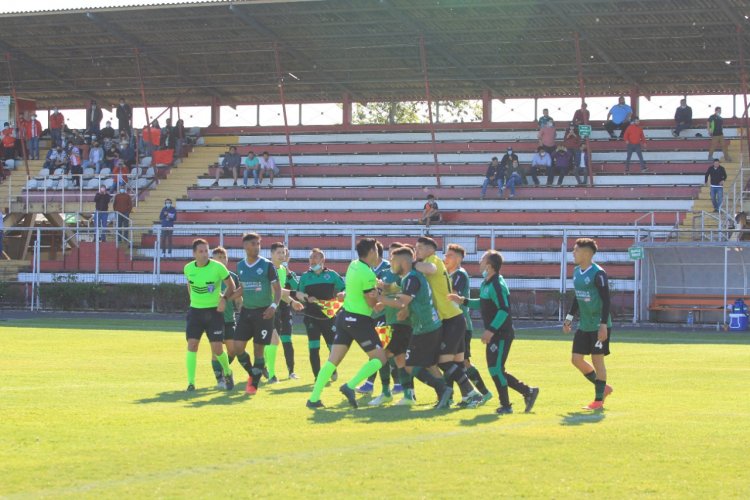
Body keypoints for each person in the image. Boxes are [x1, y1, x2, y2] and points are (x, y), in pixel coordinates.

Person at [449, 250, 539, 415]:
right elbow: (483, 303)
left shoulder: (497, 284)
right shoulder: (487, 283)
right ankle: (527, 392)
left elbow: (504, 309)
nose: (480, 263)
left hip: (501, 334)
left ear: (489, 266)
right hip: (495, 334)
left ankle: (507, 405)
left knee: (496, 369)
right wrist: (464, 301)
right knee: (495, 369)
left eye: (482, 260)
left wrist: (490, 330)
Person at [306, 238, 389, 409]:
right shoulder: (368, 273)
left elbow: (356, 290)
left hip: (344, 318)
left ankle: (314, 399)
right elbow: (371, 304)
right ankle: (350, 386)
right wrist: (380, 294)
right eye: (376, 250)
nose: (378, 254)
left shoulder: (353, 265)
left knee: (332, 361)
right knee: (381, 358)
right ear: (372, 252)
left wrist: (375, 288)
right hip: (359, 320)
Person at [377, 246, 454, 409]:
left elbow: (402, 302)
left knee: (410, 365)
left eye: (393, 259)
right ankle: (446, 397)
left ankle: (443, 389)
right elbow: (408, 301)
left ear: (403, 262)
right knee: (428, 365)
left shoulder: (412, 278)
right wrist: (405, 310)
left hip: (425, 327)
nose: (390, 262)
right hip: (427, 326)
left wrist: (380, 298)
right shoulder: (409, 278)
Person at [414, 236, 483, 408]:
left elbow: (429, 269)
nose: (417, 252)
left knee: (443, 361)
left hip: (452, 319)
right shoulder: (432, 262)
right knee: (456, 362)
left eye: (420, 248)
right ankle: (465, 396)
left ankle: (472, 393)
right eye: (415, 248)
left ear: (431, 249)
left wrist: (410, 263)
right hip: (450, 319)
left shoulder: (434, 261)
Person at [562, 238, 614, 411]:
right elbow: (578, 297)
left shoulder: (599, 274)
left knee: (597, 361)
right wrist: (569, 318)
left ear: (586, 253)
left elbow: (606, 301)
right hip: (584, 325)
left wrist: (603, 325)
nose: (573, 253)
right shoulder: (577, 272)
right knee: (576, 359)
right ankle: (603, 387)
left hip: (599, 324)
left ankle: (598, 400)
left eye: (576, 250)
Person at [183, 239, 236, 392]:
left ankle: (227, 371)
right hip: (195, 312)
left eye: (206, 251)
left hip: (214, 313)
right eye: (201, 251)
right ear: (194, 253)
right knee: (192, 345)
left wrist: (224, 299)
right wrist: (193, 300)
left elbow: (231, 285)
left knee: (217, 349)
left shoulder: (218, 267)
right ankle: (191, 383)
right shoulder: (188, 268)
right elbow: (189, 283)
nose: (205, 254)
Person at [234, 233, 282, 395]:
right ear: (245, 246)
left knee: (258, 350)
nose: (256, 247)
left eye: (258, 244)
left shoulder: (267, 265)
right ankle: (253, 372)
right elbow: (242, 287)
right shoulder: (240, 265)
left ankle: (253, 385)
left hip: (264, 313)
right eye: (253, 244)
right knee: (237, 347)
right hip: (246, 311)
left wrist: (273, 306)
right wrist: (226, 298)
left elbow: (277, 289)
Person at [366, 242, 413, 406]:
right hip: (390, 321)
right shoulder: (386, 273)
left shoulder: (406, 275)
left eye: (395, 255)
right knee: (400, 359)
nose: (391, 258)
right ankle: (407, 394)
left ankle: (387, 392)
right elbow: (384, 298)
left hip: (401, 322)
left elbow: (399, 292)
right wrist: (378, 301)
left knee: (382, 356)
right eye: (391, 254)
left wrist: (383, 291)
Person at [444, 244, 491, 402]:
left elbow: (453, 296)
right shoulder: (449, 275)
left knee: (459, 361)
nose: (446, 258)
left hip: (460, 325)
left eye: (450, 255)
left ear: (458, 259)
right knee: (453, 361)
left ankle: (481, 393)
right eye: (446, 254)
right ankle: (456, 395)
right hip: (452, 324)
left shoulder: (459, 274)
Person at [295, 248, 346, 383]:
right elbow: (298, 294)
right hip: (311, 317)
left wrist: (342, 295)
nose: (312, 260)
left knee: (332, 347)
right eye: (310, 258)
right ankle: (318, 377)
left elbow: (344, 289)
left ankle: (332, 369)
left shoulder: (332, 275)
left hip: (329, 317)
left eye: (315, 258)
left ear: (322, 260)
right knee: (314, 347)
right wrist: (305, 298)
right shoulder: (305, 276)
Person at [268, 243, 303, 381]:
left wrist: (292, 302)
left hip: (283, 308)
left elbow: (280, 292)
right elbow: (274, 291)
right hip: (268, 308)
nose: (282, 255)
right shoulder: (267, 269)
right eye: (279, 253)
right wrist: (294, 296)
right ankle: (270, 372)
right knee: (273, 341)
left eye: (283, 253)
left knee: (287, 339)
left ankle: (291, 372)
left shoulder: (283, 270)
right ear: (271, 254)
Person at [209, 247, 243, 390]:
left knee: (233, 350)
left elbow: (238, 298)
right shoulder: (209, 275)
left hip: (229, 319)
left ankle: (224, 370)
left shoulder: (233, 277)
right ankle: (220, 379)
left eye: (225, 257)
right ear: (213, 259)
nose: (223, 260)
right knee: (216, 351)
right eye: (219, 257)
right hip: (213, 319)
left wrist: (242, 311)